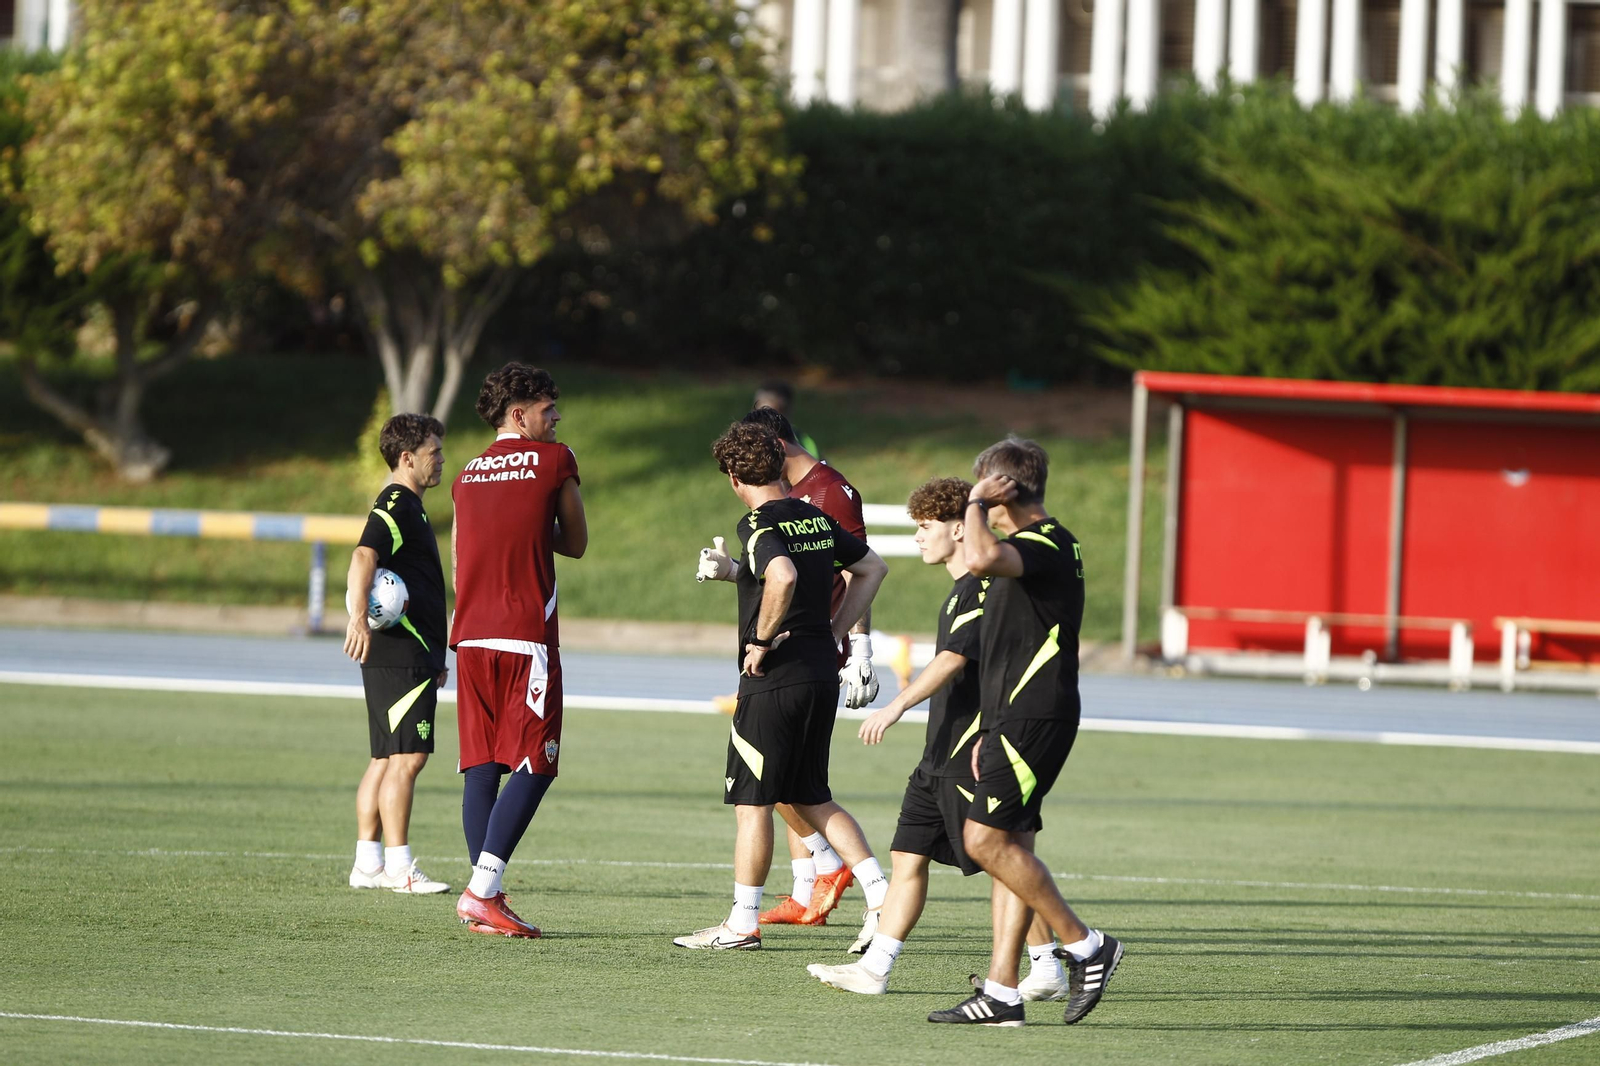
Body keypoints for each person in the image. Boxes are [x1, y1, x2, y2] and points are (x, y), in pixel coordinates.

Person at [805, 477, 1065, 998]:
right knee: (908, 856)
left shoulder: (981, 586)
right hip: (938, 751)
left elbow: (955, 657)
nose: (920, 538)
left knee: (1002, 859)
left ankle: (1050, 964)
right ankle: (875, 968)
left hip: (969, 750)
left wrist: (898, 704)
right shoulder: (958, 589)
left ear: (957, 528)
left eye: (926, 528)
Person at [927, 437, 1124, 1027]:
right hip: (1012, 716)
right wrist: (990, 725)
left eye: (983, 491)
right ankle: (1001, 992)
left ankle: (1089, 946)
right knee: (1009, 847)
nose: (976, 504)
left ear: (1002, 491)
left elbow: (984, 558)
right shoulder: (1033, 544)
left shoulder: (1045, 542)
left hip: (1035, 713)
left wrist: (973, 503)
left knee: (986, 844)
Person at [675, 421, 890, 950]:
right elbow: (872, 568)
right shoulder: (814, 516)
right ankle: (882, 897)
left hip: (775, 679)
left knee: (753, 803)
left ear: (733, 477)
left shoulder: (758, 523)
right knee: (810, 796)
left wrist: (761, 641)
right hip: (819, 673)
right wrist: (835, 633)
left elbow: (784, 577)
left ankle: (742, 924)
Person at [448, 363, 587, 939]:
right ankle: (481, 893)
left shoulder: (465, 473)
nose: (555, 418)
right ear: (518, 414)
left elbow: (462, 553)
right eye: (547, 408)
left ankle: (489, 893)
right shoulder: (555, 460)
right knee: (536, 761)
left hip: (471, 634)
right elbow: (576, 543)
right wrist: (538, 532)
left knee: (481, 769)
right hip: (524, 633)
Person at [735, 405, 878, 928]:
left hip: (797, 654)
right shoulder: (790, 502)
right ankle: (813, 886)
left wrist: (856, 643)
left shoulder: (829, 493)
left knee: (767, 782)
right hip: (807, 648)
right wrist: (735, 572)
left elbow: (850, 566)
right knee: (793, 784)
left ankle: (807, 879)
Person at [343, 413, 452, 895]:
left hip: (410, 653)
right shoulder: (398, 502)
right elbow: (363, 556)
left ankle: (367, 863)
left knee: (385, 759)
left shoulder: (410, 504)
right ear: (407, 458)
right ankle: (399, 867)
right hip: (402, 653)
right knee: (408, 758)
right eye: (434, 451)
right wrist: (356, 617)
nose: (441, 458)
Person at [753, 380, 819, 457]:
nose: (759, 420)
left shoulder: (803, 442)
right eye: (757, 412)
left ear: (786, 414)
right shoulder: (745, 441)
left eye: (768, 417)